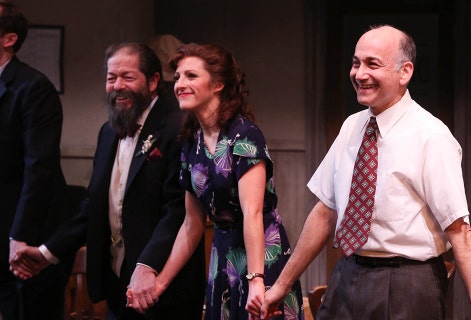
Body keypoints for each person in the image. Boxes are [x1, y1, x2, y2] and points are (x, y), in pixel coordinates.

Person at [260, 24, 471, 320]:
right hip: (347, 272)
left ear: (405, 72)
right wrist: (281, 285)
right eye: (356, 63)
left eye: (372, 64)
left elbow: (459, 230)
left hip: (407, 283)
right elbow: (325, 212)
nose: (359, 74)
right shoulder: (351, 127)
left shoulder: (431, 135)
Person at [11, 42, 206, 320]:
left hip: (164, 287)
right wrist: (47, 252)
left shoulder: (179, 126)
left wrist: (147, 266)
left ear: (152, 82)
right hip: (117, 285)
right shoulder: (108, 132)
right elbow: (93, 205)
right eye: (111, 78)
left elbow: (177, 211)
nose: (117, 86)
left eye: (127, 77)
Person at [127, 43, 305, 320]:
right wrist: (160, 283)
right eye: (178, 77)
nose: (180, 84)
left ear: (218, 84)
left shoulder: (243, 135)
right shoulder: (191, 142)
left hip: (260, 255)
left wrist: (256, 279)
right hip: (222, 257)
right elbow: (191, 224)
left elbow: (253, 213)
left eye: (191, 76)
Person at [0, 1, 70, 319]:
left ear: (8, 38)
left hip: (25, 233)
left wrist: (19, 236)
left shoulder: (33, 87)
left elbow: (39, 166)